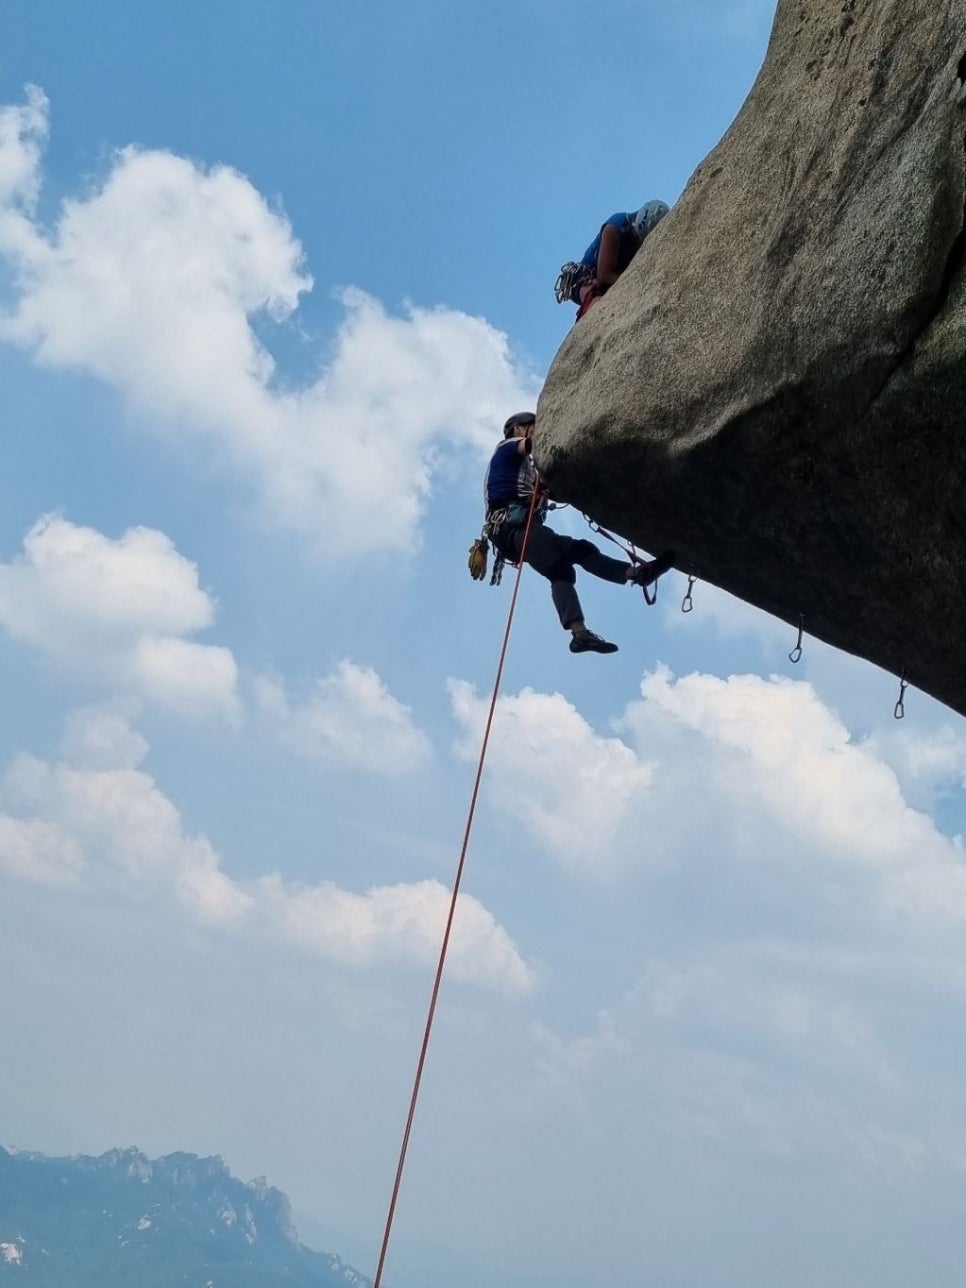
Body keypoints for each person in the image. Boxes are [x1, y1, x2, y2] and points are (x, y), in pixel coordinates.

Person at [484, 411, 674, 654]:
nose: (535, 430)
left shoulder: (526, 471)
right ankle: (579, 633)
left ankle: (635, 575)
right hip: (513, 528)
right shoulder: (507, 447)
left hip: (523, 530)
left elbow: (554, 493)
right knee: (560, 570)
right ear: (517, 429)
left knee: (581, 549)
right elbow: (532, 445)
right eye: (531, 426)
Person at [569, 200, 669, 319]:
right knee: (598, 307)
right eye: (639, 240)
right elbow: (604, 276)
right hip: (588, 279)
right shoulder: (615, 228)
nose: (639, 243)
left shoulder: (639, 234)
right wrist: (636, 285)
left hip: (617, 273)